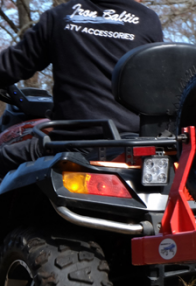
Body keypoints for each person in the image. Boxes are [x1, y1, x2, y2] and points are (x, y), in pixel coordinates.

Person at [0, 0, 163, 177]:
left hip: (71, 143)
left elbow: (11, 65)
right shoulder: (147, 19)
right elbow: (158, 80)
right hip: (130, 145)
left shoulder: (61, 15)